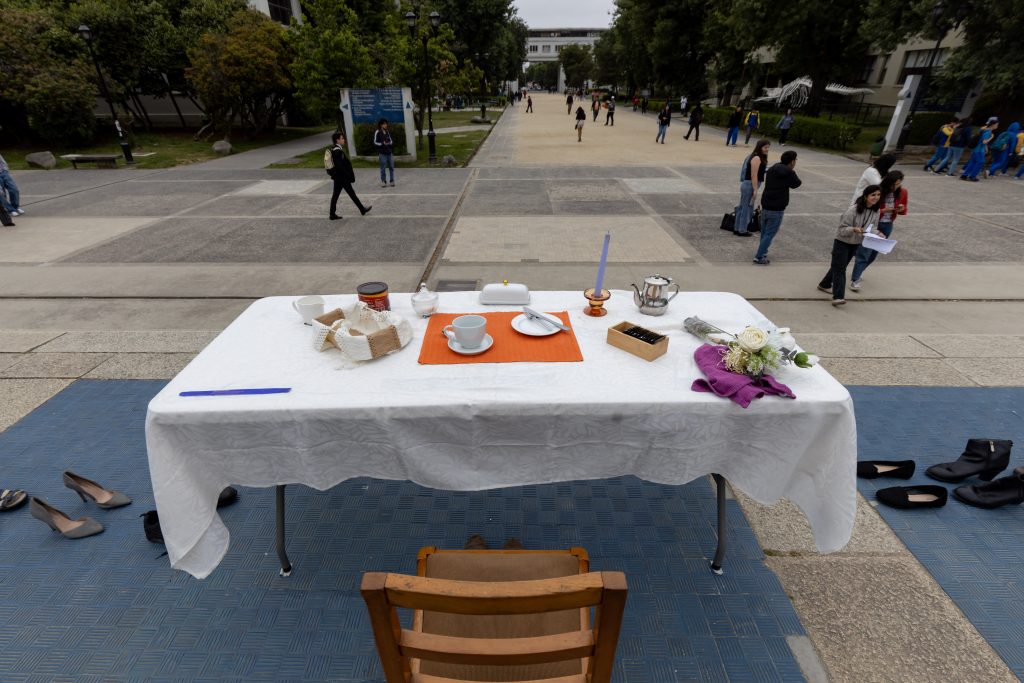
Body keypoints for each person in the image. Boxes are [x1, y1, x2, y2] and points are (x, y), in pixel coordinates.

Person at [817, 185, 881, 306]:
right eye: (873, 195)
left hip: (855, 243)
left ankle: (824, 284)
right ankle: (838, 297)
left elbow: (872, 228)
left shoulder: (876, 210)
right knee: (840, 268)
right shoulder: (853, 210)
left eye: (878, 195)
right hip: (842, 242)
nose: (876, 197)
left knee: (838, 266)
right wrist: (854, 229)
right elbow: (841, 229)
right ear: (866, 196)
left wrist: (879, 233)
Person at [850, 170, 906, 290]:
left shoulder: (903, 192)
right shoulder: (878, 191)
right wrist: (883, 210)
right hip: (873, 224)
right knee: (864, 253)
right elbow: (866, 206)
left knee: (873, 254)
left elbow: (904, 210)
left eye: (898, 184)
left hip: (887, 225)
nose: (895, 187)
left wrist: (900, 208)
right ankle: (855, 279)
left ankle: (859, 271)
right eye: (893, 184)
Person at [753, 150, 802, 265]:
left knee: (764, 232)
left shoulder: (772, 168)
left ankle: (763, 251)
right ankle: (759, 256)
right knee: (770, 234)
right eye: (795, 160)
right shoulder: (789, 172)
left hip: (765, 204)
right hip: (777, 208)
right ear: (792, 161)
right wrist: (791, 172)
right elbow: (797, 184)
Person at [327, 131, 371, 220]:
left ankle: (332, 214)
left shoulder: (336, 150)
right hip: (342, 178)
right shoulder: (337, 151)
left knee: (336, 195)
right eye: (342, 138)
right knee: (351, 194)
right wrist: (347, 174)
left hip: (338, 178)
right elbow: (340, 166)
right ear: (337, 140)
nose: (344, 140)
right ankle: (362, 209)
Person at [734, 139, 770, 238]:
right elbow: (754, 175)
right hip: (750, 185)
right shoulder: (756, 158)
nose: (767, 149)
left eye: (768, 147)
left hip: (749, 185)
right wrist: (755, 190)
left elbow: (759, 172)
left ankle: (738, 228)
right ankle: (742, 230)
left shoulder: (758, 157)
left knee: (743, 207)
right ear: (760, 147)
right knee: (746, 208)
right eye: (765, 147)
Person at [960, 117, 998, 182]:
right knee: (980, 162)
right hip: (979, 150)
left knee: (972, 162)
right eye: (997, 124)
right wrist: (991, 137)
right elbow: (984, 141)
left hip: (976, 149)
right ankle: (973, 176)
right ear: (993, 125)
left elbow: (981, 140)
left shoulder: (983, 129)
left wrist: (986, 148)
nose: (997, 126)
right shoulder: (988, 132)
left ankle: (964, 175)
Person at [373, 118, 395, 188]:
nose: (386, 125)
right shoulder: (377, 132)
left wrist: (389, 143)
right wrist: (382, 143)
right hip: (382, 153)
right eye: (384, 124)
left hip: (389, 152)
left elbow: (391, 141)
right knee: (383, 168)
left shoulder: (387, 131)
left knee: (391, 167)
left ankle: (392, 181)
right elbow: (375, 142)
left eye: (386, 124)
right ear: (381, 125)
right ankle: (383, 181)